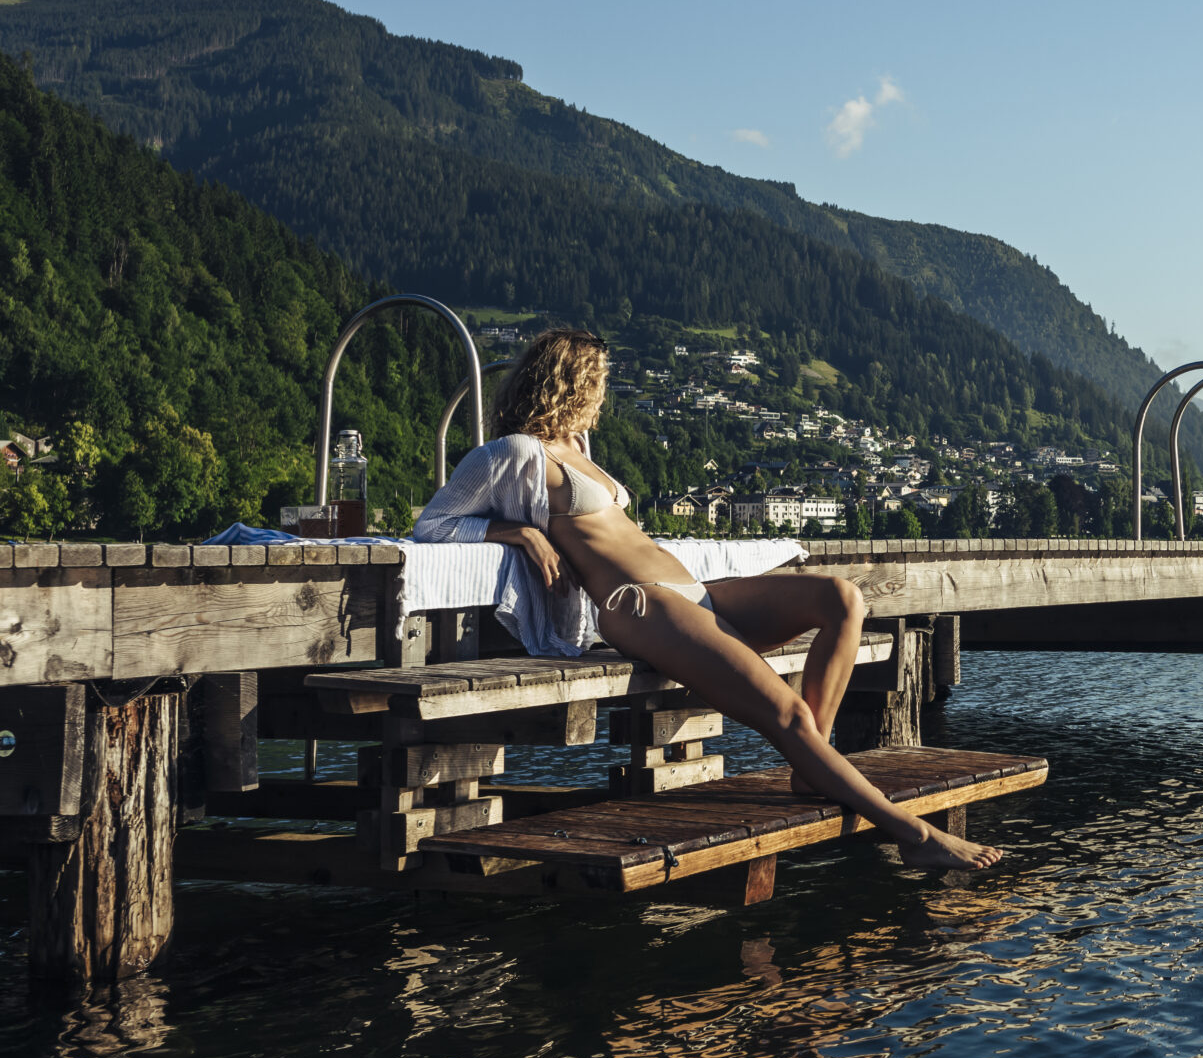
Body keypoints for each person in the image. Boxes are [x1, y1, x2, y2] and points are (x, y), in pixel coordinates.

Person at [413, 327, 1000, 872]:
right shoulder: (515, 452)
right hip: (641, 605)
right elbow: (432, 526)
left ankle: (811, 768)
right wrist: (518, 532)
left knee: (842, 600)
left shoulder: (578, 445)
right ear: (569, 383)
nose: (603, 399)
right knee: (786, 716)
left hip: (691, 592)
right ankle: (914, 837)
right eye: (598, 385)